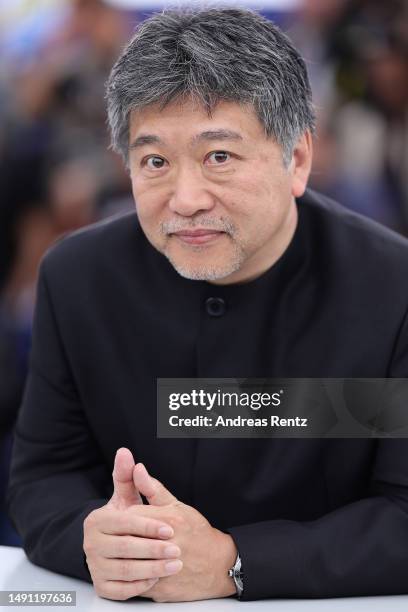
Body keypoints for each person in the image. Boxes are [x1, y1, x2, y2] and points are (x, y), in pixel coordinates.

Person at [7, 7, 408, 603]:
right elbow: (44, 476)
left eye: (218, 156)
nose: (186, 199)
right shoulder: (79, 279)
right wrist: (95, 539)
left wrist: (235, 562)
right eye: (155, 162)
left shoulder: (391, 288)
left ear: (296, 159)